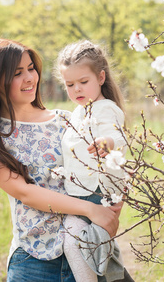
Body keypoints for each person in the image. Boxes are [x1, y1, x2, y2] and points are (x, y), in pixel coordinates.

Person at [0, 38, 122, 282]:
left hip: (87, 249)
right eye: (17, 73)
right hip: (34, 261)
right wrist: (91, 209)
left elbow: (106, 164)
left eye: (31, 68)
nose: (30, 78)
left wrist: (112, 207)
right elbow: (25, 193)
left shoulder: (67, 120)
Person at [54, 40, 132, 282]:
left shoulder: (104, 108)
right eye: (70, 84)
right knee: (92, 246)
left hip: (96, 190)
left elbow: (120, 136)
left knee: (79, 241)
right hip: (79, 192)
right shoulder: (78, 112)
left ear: (100, 78)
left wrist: (107, 142)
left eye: (83, 82)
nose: (77, 89)